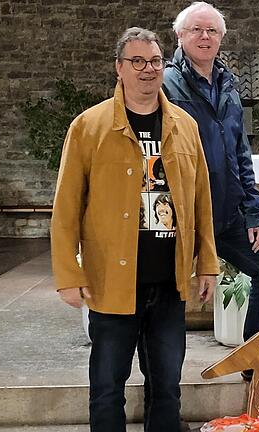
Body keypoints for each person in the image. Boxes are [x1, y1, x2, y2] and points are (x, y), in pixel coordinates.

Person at [51, 27, 219, 432]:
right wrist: (68, 276)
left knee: (167, 388)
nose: (148, 70)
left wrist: (208, 263)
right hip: (112, 283)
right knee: (107, 387)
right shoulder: (89, 127)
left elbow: (201, 201)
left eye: (156, 61)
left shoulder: (184, 125)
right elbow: (66, 207)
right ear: (119, 68)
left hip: (168, 282)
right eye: (138, 62)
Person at [162, 1, 259, 379]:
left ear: (220, 39)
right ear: (180, 36)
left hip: (227, 213)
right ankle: (166, 389)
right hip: (183, 215)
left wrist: (255, 214)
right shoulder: (166, 83)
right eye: (197, 30)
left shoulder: (227, 84)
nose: (205, 36)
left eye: (212, 31)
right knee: (168, 298)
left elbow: (240, 153)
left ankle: (254, 360)